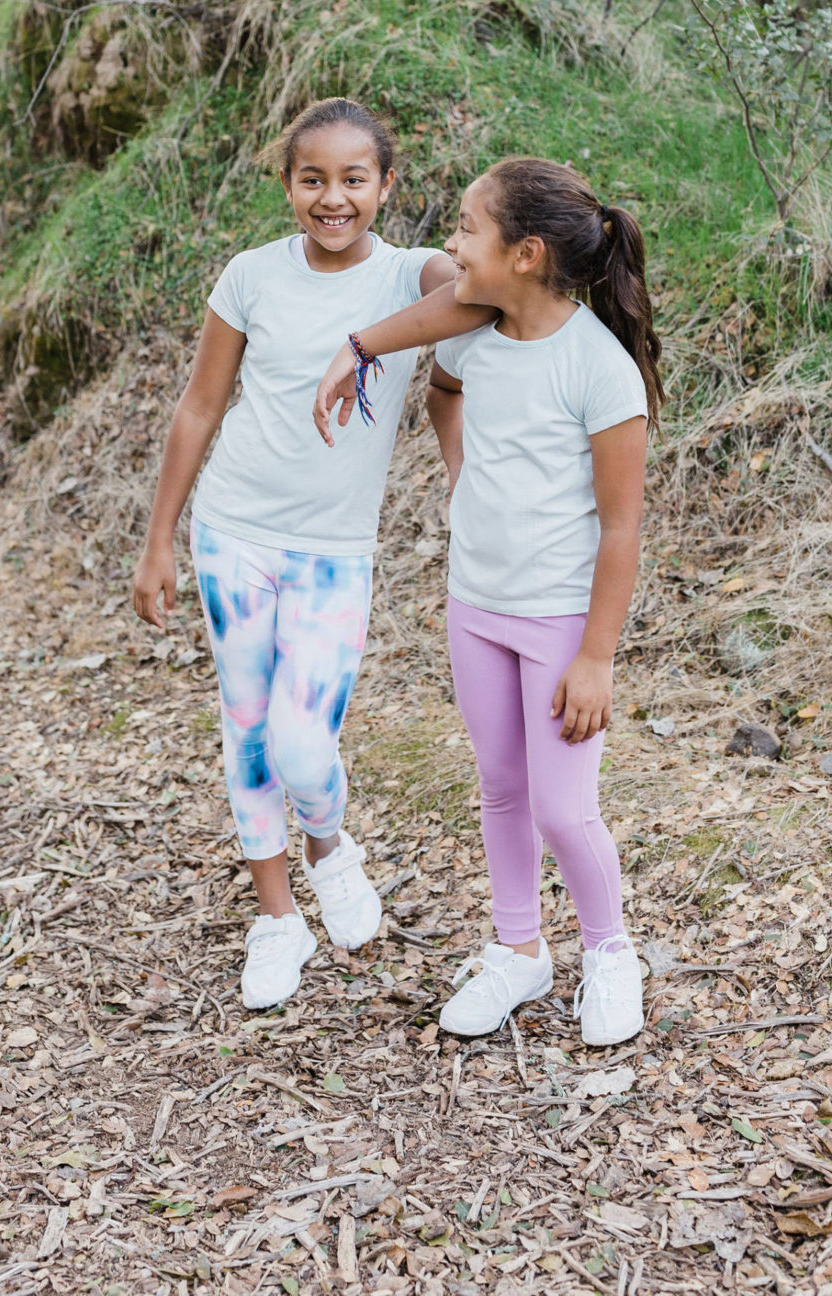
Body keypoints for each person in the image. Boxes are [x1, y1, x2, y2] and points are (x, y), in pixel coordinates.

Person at [132, 97, 480, 1010]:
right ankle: (278, 919)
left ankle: (330, 842)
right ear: (288, 185)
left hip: (333, 551)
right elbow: (200, 408)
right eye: (313, 179)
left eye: (353, 180)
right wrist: (159, 537)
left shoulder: (414, 275)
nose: (333, 199)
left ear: (386, 186)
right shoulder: (250, 274)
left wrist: (377, 332)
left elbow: (477, 294)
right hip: (233, 531)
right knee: (246, 729)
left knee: (301, 740)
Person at [314, 157, 662, 1045]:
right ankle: (518, 949)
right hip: (474, 604)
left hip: (558, 622)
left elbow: (622, 531)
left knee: (562, 806)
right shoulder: (475, 336)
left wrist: (596, 657)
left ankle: (610, 953)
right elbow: (446, 384)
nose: (452, 243)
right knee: (501, 787)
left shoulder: (599, 368)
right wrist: (458, 462)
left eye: (468, 228)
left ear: (528, 254)